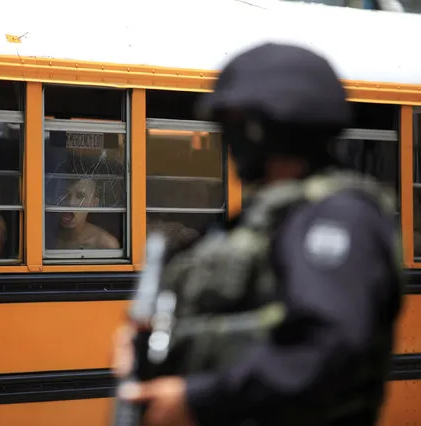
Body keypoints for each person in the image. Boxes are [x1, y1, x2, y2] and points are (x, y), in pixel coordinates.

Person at [112, 42, 404, 426]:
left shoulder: (336, 216)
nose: (227, 142)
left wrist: (199, 400)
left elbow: (327, 345)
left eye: (232, 126)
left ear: (262, 129)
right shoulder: (264, 218)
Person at [54, 177, 120, 250]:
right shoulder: (46, 235)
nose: (71, 203)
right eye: (65, 194)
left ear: (93, 204)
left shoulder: (105, 244)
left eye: (80, 196)